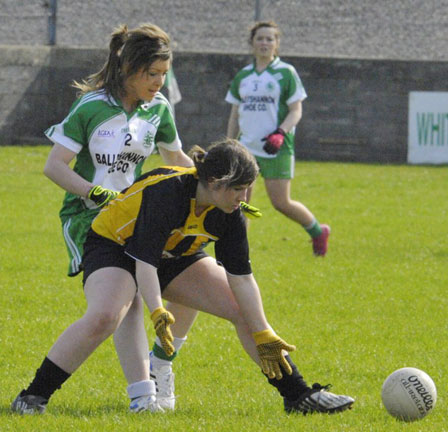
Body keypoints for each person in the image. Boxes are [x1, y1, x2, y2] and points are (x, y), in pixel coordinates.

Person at [12, 138, 354, 415]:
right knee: (105, 315)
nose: (244, 198)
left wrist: (263, 331)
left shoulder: (229, 210)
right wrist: (158, 311)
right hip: (114, 247)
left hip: (175, 252)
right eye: (239, 189)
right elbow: (143, 262)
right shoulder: (169, 192)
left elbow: (242, 279)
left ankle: (299, 396)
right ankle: (32, 397)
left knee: (241, 310)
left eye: (248, 189)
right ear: (214, 182)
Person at [39, 22, 199, 412]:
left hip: (134, 215)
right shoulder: (91, 106)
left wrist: (213, 184)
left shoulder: (159, 108)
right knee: (118, 305)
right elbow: (54, 166)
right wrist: (93, 191)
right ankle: (137, 394)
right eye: (152, 74)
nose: (160, 82)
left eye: (164, 74)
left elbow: (175, 159)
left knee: (188, 272)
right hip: (87, 217)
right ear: (128, 69)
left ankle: (150, 386)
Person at [226, 20, 330, 256]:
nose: (264, 43)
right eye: (259, 38)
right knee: (240, 203)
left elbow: (296, 110)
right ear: (251, 43)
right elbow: (235, 113)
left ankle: (317, 231)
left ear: (277, 44)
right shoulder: (243, 76)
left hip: (276, 148)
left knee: (280, 203)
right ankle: (239, 251)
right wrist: (229, 143)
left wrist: (280, 133)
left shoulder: (286, 73)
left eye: (269, 38)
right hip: (247, 149)